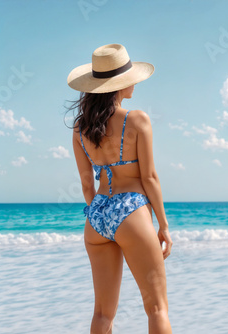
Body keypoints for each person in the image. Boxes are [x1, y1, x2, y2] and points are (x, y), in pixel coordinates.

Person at [67, 43, 173, 333]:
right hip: (132, 211)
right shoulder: (137, 119)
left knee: (103, 314)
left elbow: (88, 183)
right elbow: (149, 177)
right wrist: (163, 225)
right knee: (156, 307)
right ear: (119, 84)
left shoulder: (80, 129)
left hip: (97, 216)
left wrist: (98, 214)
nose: (135, 84)